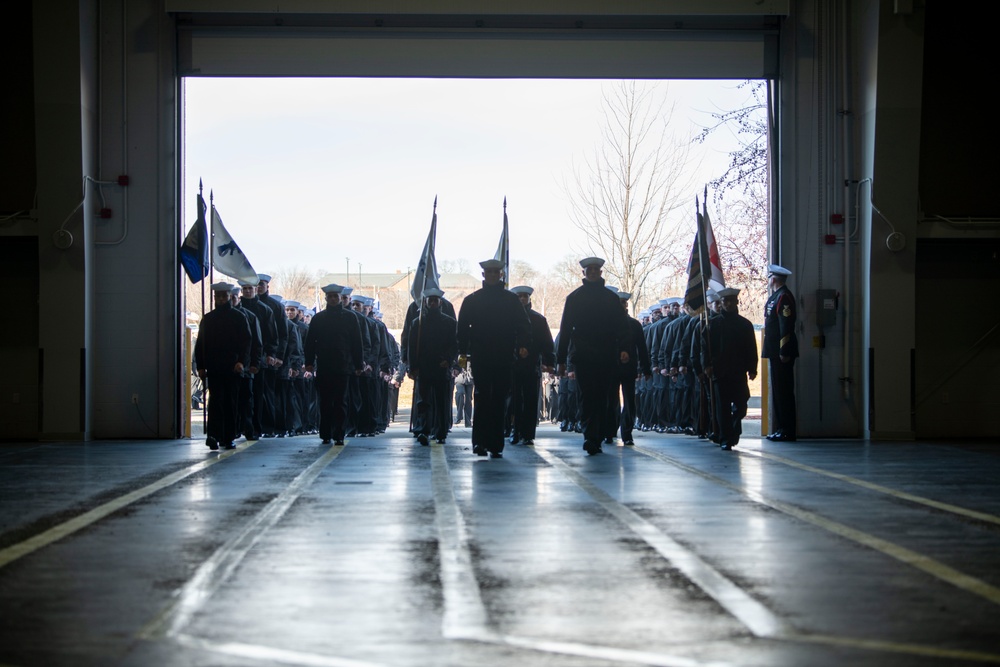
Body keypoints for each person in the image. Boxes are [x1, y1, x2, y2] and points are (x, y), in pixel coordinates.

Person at [457, 259, 531, 458]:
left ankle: (496, 444)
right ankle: (480, 443)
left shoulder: (511, 300)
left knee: (498, 399)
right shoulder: (473, 300)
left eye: (495, 272)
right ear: (483, 275)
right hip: (481, 357)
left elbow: (524, 325)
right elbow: (462, 328)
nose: (491, 275)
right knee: (481, 398)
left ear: (501, 275)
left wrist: (523, 345)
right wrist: (463, 352)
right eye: (488, 272)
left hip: (504, 357)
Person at [555, 257, 630, 455]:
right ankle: (590, 437)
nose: (594, 272)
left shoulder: (611, 298)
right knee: (586, 398)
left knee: (604, 398)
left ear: (601, 272)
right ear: (584, 273)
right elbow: (565, 329)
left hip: (606, 356)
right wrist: (561, 360)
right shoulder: (574, 298)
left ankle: (599, 434)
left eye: (597, 269)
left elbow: (621, 327)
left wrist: (623, 348)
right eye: (590, 269)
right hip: (583, 357)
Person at [303, 284, 364, 446]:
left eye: (336, 297)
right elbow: (310, 343)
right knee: (324, 401)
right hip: (324, 366)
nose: (333, 299)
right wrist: (308, 362)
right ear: (326, 299)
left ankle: (339, 434)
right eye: (330, 297)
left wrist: (358, 364)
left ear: (340, 298)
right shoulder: (318, 318)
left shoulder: (351, 318)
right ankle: (325, 433)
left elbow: (357, 343)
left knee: (341, 402)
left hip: (344, 367)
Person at [194, 282, 252, 450]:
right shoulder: (208, 319)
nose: (220, 299)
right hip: (214, 367)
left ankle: (228, 437)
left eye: (223, 296)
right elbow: (201, 344)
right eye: (218, 296)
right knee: (215, 402)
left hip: (233, 367)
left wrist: (242, 361)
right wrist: (201, 366)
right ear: (215, 298)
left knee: (230, 403)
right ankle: (213, 435)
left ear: (229, 297)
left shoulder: (239, 317)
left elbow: (246, 342)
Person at [407, 287, 458, 445]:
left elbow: (454, 345)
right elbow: (412, 347)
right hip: (424, 367)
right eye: (430, 300)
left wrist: (449, 360)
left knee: (441, 401)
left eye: (436, 300)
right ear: (426, 302)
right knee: (423, 402)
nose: (433, 302)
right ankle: (423, 430)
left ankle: (441, 432)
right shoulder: (418, 323)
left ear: (440, 302)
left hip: (441, 367)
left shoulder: (449, 323)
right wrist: (413, 367)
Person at [711, 287, 759, 450]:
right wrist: (706, 367)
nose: (729, 304)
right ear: (721, 303)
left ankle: (733, 429)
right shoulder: (713, 325)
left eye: (732, 301)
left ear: (737, 302)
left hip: (738, 372)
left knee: (741, 404)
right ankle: (726, 438)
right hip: (720, 372)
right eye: (725, 301)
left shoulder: (745, 324)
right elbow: (706, 348)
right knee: (723, 408)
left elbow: (751, 348)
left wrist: (752, 368)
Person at [509, 285, 555, 446]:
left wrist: (550, 363)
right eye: (519, 296)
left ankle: (528, 433)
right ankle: (514, 429)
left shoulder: (538, 319)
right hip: (512, 365)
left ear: (529, 299)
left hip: (531, 365)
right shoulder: (508, 318)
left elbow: (547, 343)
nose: (522, 299)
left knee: (530, 400)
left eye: (525, 296)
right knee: (514, 400)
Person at [763, 264, 798, 441]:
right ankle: (781, 427)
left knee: (783, 391)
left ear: (774, 279)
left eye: (769, 278)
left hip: (781, 352)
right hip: (775, 351)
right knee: (778, 391)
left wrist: (784, 349)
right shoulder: (776, 297)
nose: (768, 280)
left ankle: (787, 430)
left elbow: (786, 325)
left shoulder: (783, 297)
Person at [614, 291, 651, 446]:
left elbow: (642, 348)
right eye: (619, 302)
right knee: (611, 400)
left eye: (624, 302)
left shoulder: (634, 324)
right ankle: (610, 430)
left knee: (629, 401)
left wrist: (646, 368)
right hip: (612, 367)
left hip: (629, 367)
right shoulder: (607, 324)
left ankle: (627, 433)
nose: (622, 305)